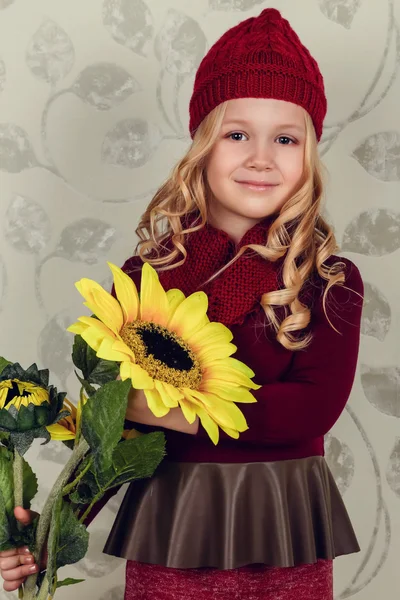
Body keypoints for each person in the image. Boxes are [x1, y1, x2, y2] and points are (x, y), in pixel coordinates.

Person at [0, 8, 364, 600]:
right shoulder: (149, 277)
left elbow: (308, 411)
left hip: (284, 520)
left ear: (309, 155)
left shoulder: (326, 279)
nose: (261, 157)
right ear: (202, 143)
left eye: (286, 138)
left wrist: (160, 408)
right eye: (238, 133)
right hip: (174, 517)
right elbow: (109, 433)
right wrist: (53, 532)